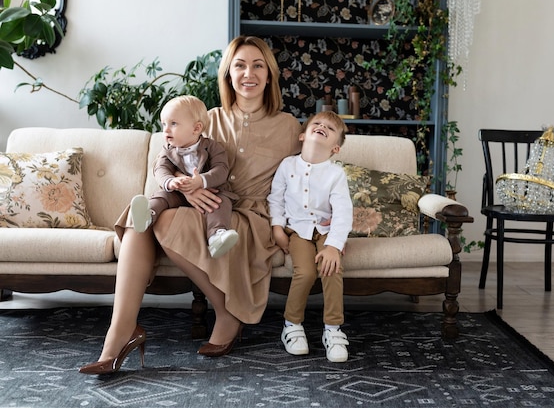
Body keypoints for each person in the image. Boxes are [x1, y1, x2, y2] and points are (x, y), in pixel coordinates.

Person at [78, 36, 302, 374]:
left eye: (258, 65)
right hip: (194, 203)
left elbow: (302, 179)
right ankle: (119, 332)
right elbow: (171, 160)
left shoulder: (289, 126)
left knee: (163, 222)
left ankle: (226, 312)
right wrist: (190, 191)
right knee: (144, 219)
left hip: (249, 216)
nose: (248, 73)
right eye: (239, 65)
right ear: (228, 74)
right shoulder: (207, 118)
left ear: (269, 75)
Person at [267, 111, 353, 363]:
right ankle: (292, 325)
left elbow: (343, 211)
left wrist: (334, 246)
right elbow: (276, 199)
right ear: (303, 135)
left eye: (329, 128)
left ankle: (333, 330)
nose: (322, 126)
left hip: (325, 231)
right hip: (297, 231)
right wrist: (277, 228)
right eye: (317, 123)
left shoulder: (336, 174)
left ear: (335, 148)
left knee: (332, 269)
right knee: (305, 272)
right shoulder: (287, 165)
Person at [129, 95, 239, 259]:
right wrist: (170, 181)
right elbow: (160, 168)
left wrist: (201, 180)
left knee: (221, 202)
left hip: (209, 193)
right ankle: (147, 215)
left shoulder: (214, 147)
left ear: (196, 128)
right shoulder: (168, 150)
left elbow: (222, 170)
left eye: (173, 124)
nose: (166, 130)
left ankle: (216, 237)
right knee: (162, 195)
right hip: (179, 195)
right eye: (164, 124)